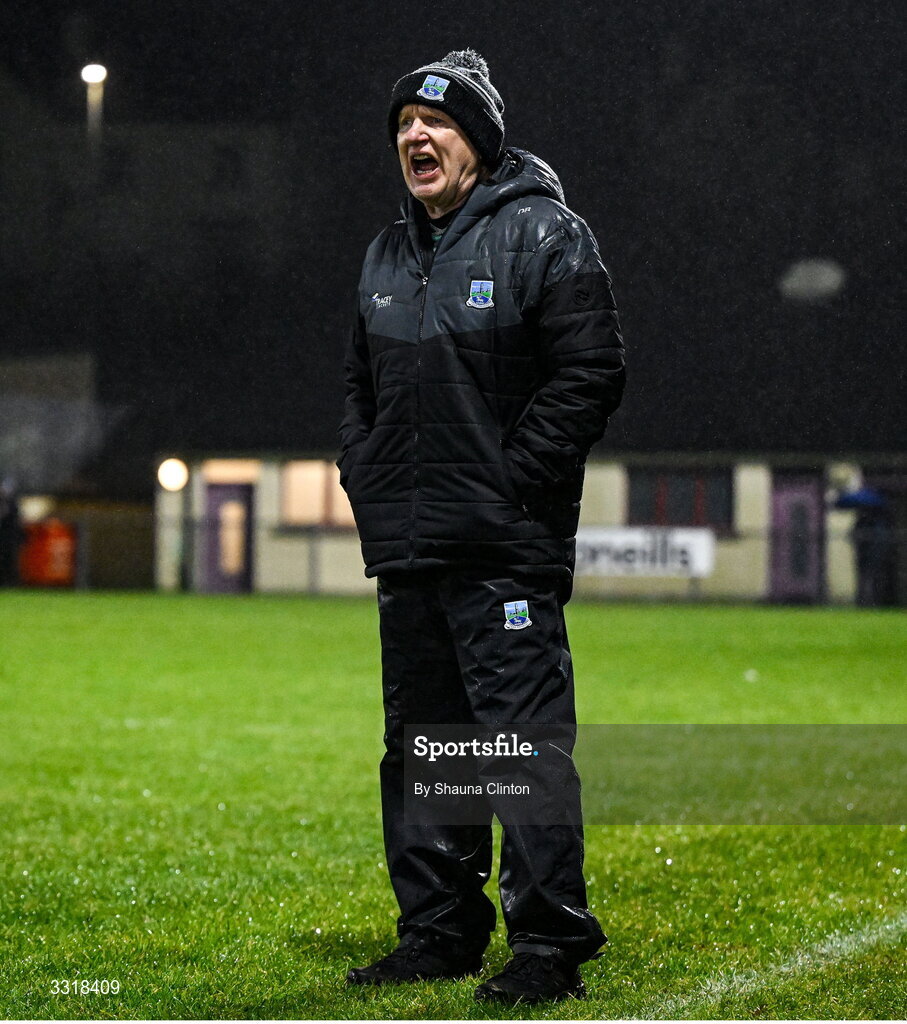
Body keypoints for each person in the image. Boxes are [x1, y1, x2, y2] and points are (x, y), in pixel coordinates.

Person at [338, 49, 625, 1005]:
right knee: (428, 747)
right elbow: (359, 391)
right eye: (404, 128)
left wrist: (510, 482)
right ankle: (440, 932)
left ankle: (546, 946)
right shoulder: (383, 256)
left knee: (517, 745)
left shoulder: (546, 233)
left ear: (481, 138)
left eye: (438, 123)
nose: (416, 137)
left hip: (502, 549)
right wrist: (367, 473)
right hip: (412, 547)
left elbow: (590, 373)